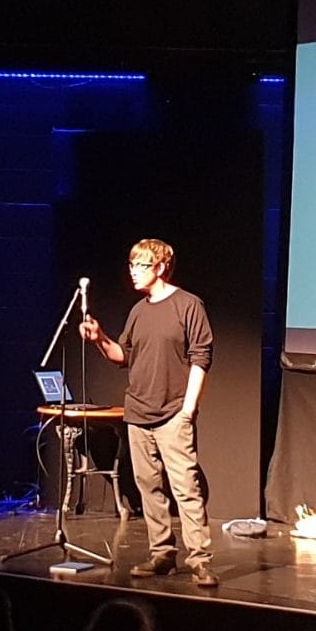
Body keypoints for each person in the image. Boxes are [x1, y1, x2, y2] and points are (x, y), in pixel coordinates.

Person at [79, 238, 218, 587]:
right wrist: (98, 338)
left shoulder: (188, 305)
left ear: (160, 267)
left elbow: (201, 358)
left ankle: (199, 559)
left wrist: (188, 409)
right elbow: (122, 356)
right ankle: (162, 554)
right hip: (138, 413)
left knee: (185, 487)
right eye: (130, 265)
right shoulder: (139, 311)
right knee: (149, 487)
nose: (133, 273)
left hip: (173, 412)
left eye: (139, 266)